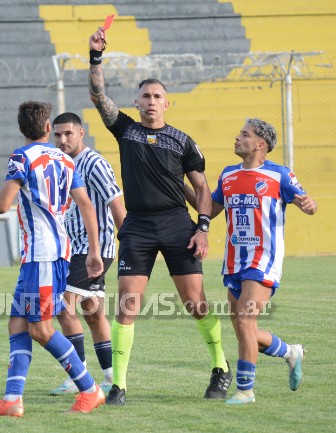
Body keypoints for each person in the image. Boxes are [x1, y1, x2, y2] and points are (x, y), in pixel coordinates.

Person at [88, 27, 233, 405]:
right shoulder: (126, 131)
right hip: (136, 226)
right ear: (136, 102)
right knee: (127, 304)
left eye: (158, 97)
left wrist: (202, 230)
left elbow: (202, 189)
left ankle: (220, 366)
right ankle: (118, 385)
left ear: (167, 104)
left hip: (175, 223)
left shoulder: (183, 142)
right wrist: (96, 58)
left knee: (195, 302)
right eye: (146, 96)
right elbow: (98, 95)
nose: (152, 102)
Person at [0, 101, 106, 416]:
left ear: (22, 129)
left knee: (41, 330)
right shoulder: (65, 159)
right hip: (52, 253)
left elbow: (3, 203)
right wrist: (95, 250)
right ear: (48, 128)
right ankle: (12, 399)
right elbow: (86, 205)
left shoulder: (22, 157)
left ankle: (90, 389)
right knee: (18, 324)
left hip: (42, 256)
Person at [185, 118, 317, 405]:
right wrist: (175, 181)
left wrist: (308, 204)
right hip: (235, 261)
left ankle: (245, 391)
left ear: (260, 144)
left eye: (244, 134)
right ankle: (289, 352)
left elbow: (307, 202)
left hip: (264, 260)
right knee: (245, 330)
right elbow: (208, 208)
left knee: (245, 322)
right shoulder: (229, 175)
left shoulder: (279, 175)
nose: (236, 138)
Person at [49, 112, 126, 396]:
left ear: (81, 133)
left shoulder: (93, 163)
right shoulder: (63, 163)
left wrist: (127, 245)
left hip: (94, 248)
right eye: (57, 135)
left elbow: (116, 204)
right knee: (92, 313)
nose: (62, 140)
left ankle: (77, 376)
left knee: (62, 306)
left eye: (68, 133)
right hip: (75, 248)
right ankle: (109, 376)